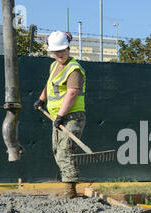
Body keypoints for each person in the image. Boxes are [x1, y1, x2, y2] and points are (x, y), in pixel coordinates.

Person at [33, 31, 86, 199]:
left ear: (68, 49)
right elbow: (50, 85)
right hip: (58, 117)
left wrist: (61, 115)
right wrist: (41, 100)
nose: (59, 54)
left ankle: (70, 192)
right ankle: (69, 189)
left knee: (65, 152)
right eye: (56, 52)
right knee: (58, 151)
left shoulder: (74, 69)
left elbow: (72, 94)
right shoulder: (54, 66)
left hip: (71, 117)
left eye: (62, 51)